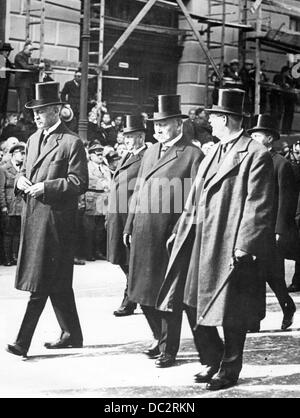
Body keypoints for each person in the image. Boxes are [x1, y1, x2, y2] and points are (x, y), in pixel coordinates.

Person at [157, 89, 274, 390]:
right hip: (200, 240)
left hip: (229, 243)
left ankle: (229, 369)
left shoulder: (255, 154)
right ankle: (213, 358)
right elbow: (193, 198)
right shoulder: (213, 152)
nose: (209, 122)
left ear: (225, 119)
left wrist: (245, 244)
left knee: (232, 311)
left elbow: (258, 204)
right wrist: (179, 230)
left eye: (213, 117)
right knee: (190, 300)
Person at [6, 82, 88, 358]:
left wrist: (47, 187)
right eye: (35, 112)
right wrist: (20, 179)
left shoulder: (71, 142)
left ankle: (22, 341)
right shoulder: (31, 140)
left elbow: (79, 182)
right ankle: (72, 334)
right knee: (59, 282)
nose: (37, 116)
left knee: (41, 282)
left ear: (55, 110)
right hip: (34, 217)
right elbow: (24, 173)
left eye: (42, 111)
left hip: (56, 222)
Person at [123, 95, 204, 368]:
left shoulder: (192, 154)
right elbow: (137, 192)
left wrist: (180, 231)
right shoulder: (149, 152)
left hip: (169, 235)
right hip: (143, 231)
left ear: (179, 124)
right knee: (141, 293)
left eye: (164, 124)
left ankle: (169, 350)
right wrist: (129, 224)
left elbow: (195, 200)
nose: (158, 129)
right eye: (155, 124)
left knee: (168, 295)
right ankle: (159, 338)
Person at [248, 114, 297, 330]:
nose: (254, 139)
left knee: (273, 275)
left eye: (258, 135)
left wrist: (279, 230)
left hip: (272, 230)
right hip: (254, 227)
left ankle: (287, 305)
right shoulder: (251, 161)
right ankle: (255, 319)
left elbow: (287, 200)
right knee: (254, 274)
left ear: (269, 138)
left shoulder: (281, 164)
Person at [107, 115, 147, 317]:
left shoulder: (147, 156)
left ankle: (130, 299)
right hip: (118, 215)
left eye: (129, 137)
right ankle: (133, 296)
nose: (126, 140)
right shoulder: (127, 155)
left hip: (130, 217)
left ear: (140, 137)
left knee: (131, 260)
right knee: (123, 260)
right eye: (125, 136)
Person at [84, 143, 111, 261]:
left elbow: (110, 182)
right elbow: (87, 181)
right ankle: (88, 252)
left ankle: (97, 251)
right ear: (90, 156)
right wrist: (102, 183)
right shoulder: (87, 167)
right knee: (90, 228)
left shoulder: (105, 168)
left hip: (103, 198)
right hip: (91, 198)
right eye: (97, 154)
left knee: (100, 228)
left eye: (101, 154)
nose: (100, 156)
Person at [0, 143, 25, 266]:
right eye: (21, 154)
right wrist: (3, 206)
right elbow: (1, 189)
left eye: (24, 154)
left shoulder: (24, 169)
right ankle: (7, 258)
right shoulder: (4, 169)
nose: (23, 157)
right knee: (8, 232)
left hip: (21, 206)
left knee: (17, 232)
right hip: (9, 205)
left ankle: (15, 256)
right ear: (14, 154)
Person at [14, 40, 42, 122]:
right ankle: (28, 120)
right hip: (21, 83)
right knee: (24, 101)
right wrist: (37, 66)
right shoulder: (19, 56)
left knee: (30, 101)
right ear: (25, 49)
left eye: (32, 51)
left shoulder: (26, 57)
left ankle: (31, 119)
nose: (31, 52)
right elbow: (25, 66)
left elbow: (29, 66)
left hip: (27, 83)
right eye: (30, 50)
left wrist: (36, 67)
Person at [0, 43, 14, 123]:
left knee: (3, 103)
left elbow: (13, 70)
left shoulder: (7, 60)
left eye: (9, 51)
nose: (8, 53)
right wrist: (5, 69)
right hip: (1, 86)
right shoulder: (0, 58)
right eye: (6, 51)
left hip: (4, 86)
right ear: (2, 51)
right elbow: (1, 74)